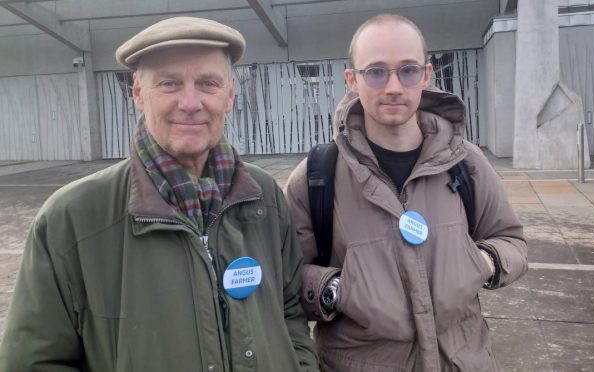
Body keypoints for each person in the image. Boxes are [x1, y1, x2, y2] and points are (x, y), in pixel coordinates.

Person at [0, 17, 318, 372]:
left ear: (229, 95)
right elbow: (34, 361)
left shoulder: (264, 198)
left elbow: (290, 311)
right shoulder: (71, 219)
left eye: (208, 83)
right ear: (138, 93)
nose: (191, 102)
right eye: (170, 83)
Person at [284, 14, 528, 372]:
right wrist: (334, 288)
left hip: (463, 361)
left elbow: (512, 241)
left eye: (408, 70)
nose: (394, 87)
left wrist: (483, 262)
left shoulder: (467, 163)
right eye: (377, 72)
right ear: (352, 80)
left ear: (426, 75)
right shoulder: (317, 176)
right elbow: (287, 277)